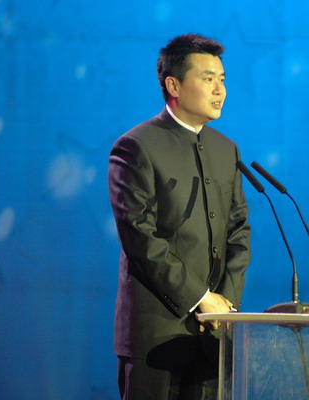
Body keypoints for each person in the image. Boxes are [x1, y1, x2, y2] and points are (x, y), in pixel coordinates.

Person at [107, 34, 252, 400]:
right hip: (156, 334)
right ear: (174, 85)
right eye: (208, 78)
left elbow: (238, 232)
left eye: (222, 79)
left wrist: (224, 304)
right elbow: (139, 237)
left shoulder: (226, 149)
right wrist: (200, 297)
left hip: (213, 332)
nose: (219, 90)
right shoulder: (136, 147)